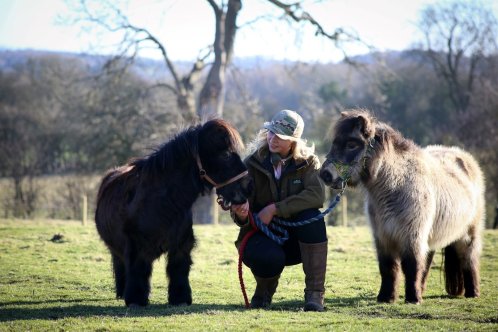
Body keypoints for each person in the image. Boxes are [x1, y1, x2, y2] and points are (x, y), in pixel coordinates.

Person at [230, 109, 327, 311]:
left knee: (314, 219)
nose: (273, 139)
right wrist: (241, 214)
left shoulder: (309, 162)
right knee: (268, 257)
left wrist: (275, 209)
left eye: (280, 136)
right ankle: (264, 292)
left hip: (297, 243)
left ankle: (315, 295)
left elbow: (317, 196)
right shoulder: (252, 163)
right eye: (271, 132)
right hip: (261, 237)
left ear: (294, 140)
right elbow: (241, 206)